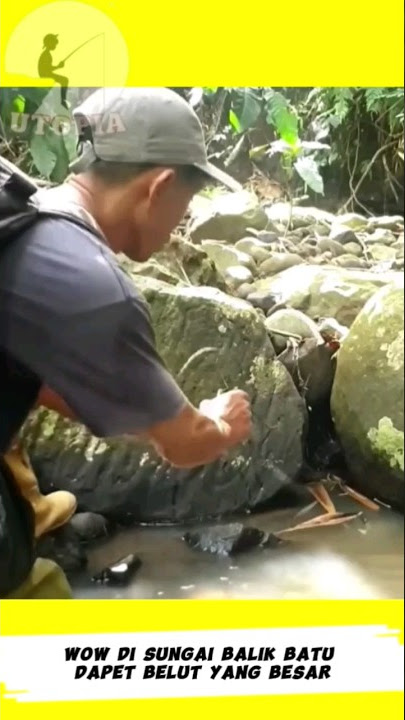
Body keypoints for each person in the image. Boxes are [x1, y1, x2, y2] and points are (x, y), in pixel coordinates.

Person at [0, 87, 252, 595]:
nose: (182, 221)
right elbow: (185, 445)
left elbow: (41, 376)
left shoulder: (19, 216)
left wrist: (152, 418)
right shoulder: (95, 289)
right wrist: (221, 424)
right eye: (186, 202)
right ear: (159, 188)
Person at [37, 34, 69, 108]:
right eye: (54, 43)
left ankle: (62, 100)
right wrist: (58, 66)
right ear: (49, 43)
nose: (55, 45)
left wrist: (58, 66)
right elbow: (47, 69)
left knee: (64, 80)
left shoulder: (47, 54)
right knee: (64, 80)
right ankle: (63, 101)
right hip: (45, 75)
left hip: (47, 74)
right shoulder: (46, 55)